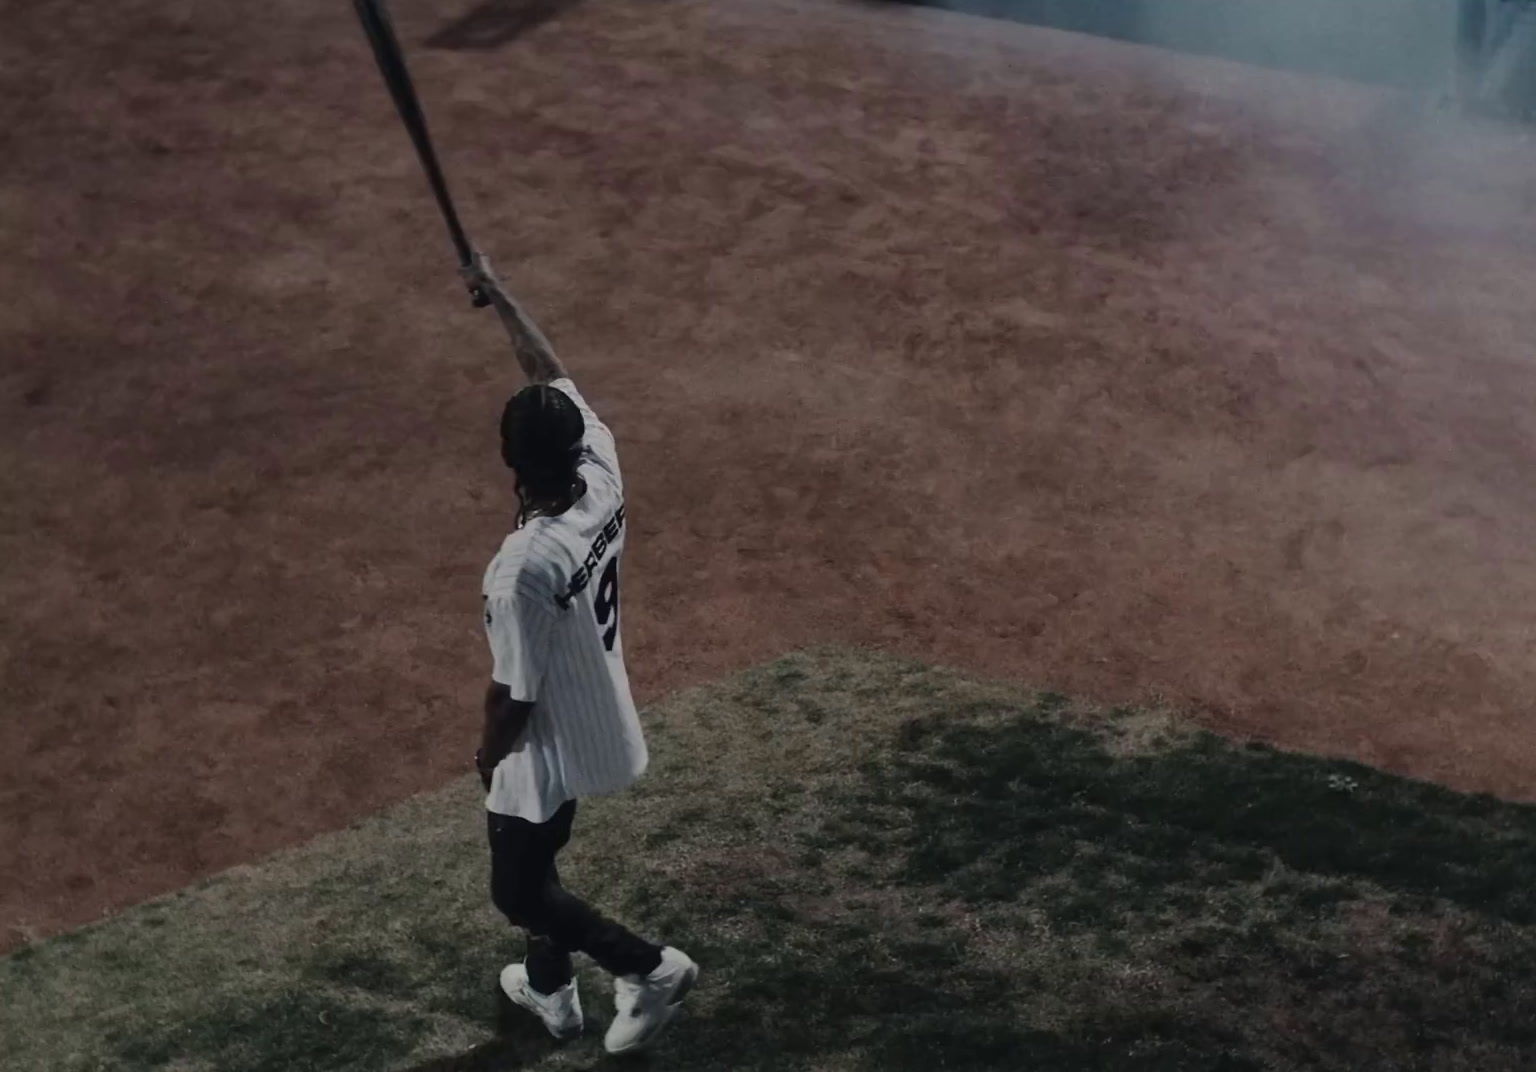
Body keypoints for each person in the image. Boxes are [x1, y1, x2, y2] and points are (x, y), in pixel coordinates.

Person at [460, 251, 698, 1054]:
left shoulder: (521, 570)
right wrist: (499, 294)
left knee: (517, 885)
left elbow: (513, 696)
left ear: (510, 462)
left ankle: (651, 968)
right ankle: (553, 992)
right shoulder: (601, 468)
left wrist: (490, 753)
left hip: (545, 729)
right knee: (542, 856)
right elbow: (551, 369)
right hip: (595, 706)